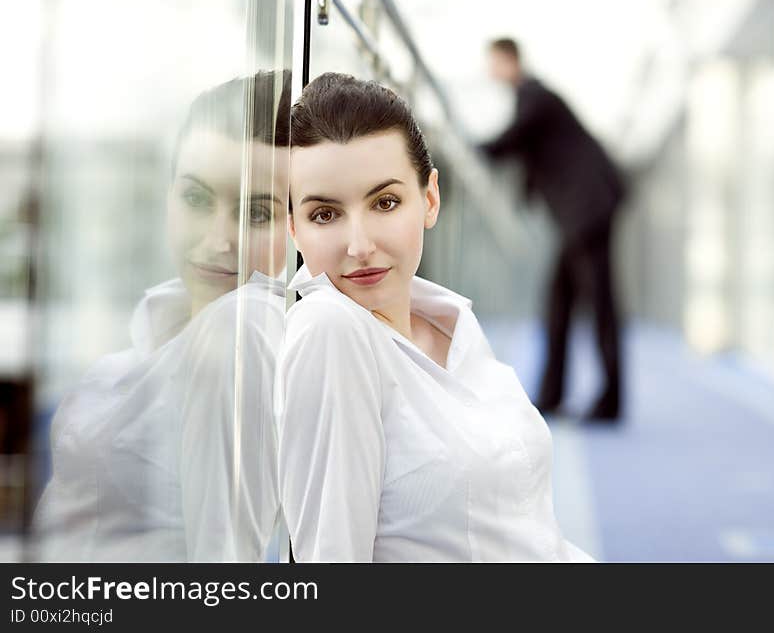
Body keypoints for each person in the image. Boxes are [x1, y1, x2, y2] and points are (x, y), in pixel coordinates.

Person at [277, 72, 594, 562]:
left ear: (429, 198)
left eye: (385, 203)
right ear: (293, 226)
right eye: (325, 215)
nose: (360, 246)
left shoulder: (454, 323)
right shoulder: (330, 331)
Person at [32, 71, 290, 561]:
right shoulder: (149, 339)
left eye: (257, 214)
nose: (218, 241)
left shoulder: (243, 334)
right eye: (195, 198)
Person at [479, 38, 625, 422]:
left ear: (509, 60)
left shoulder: (534, 95)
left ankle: (610, 401)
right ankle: (553, 393)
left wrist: (473, 147)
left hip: (588, 208)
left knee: (599, 304)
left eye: (493, 63)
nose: (489, 72)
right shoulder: (532, 98)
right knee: (558, 303)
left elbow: (509, 140)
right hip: (577, 213)